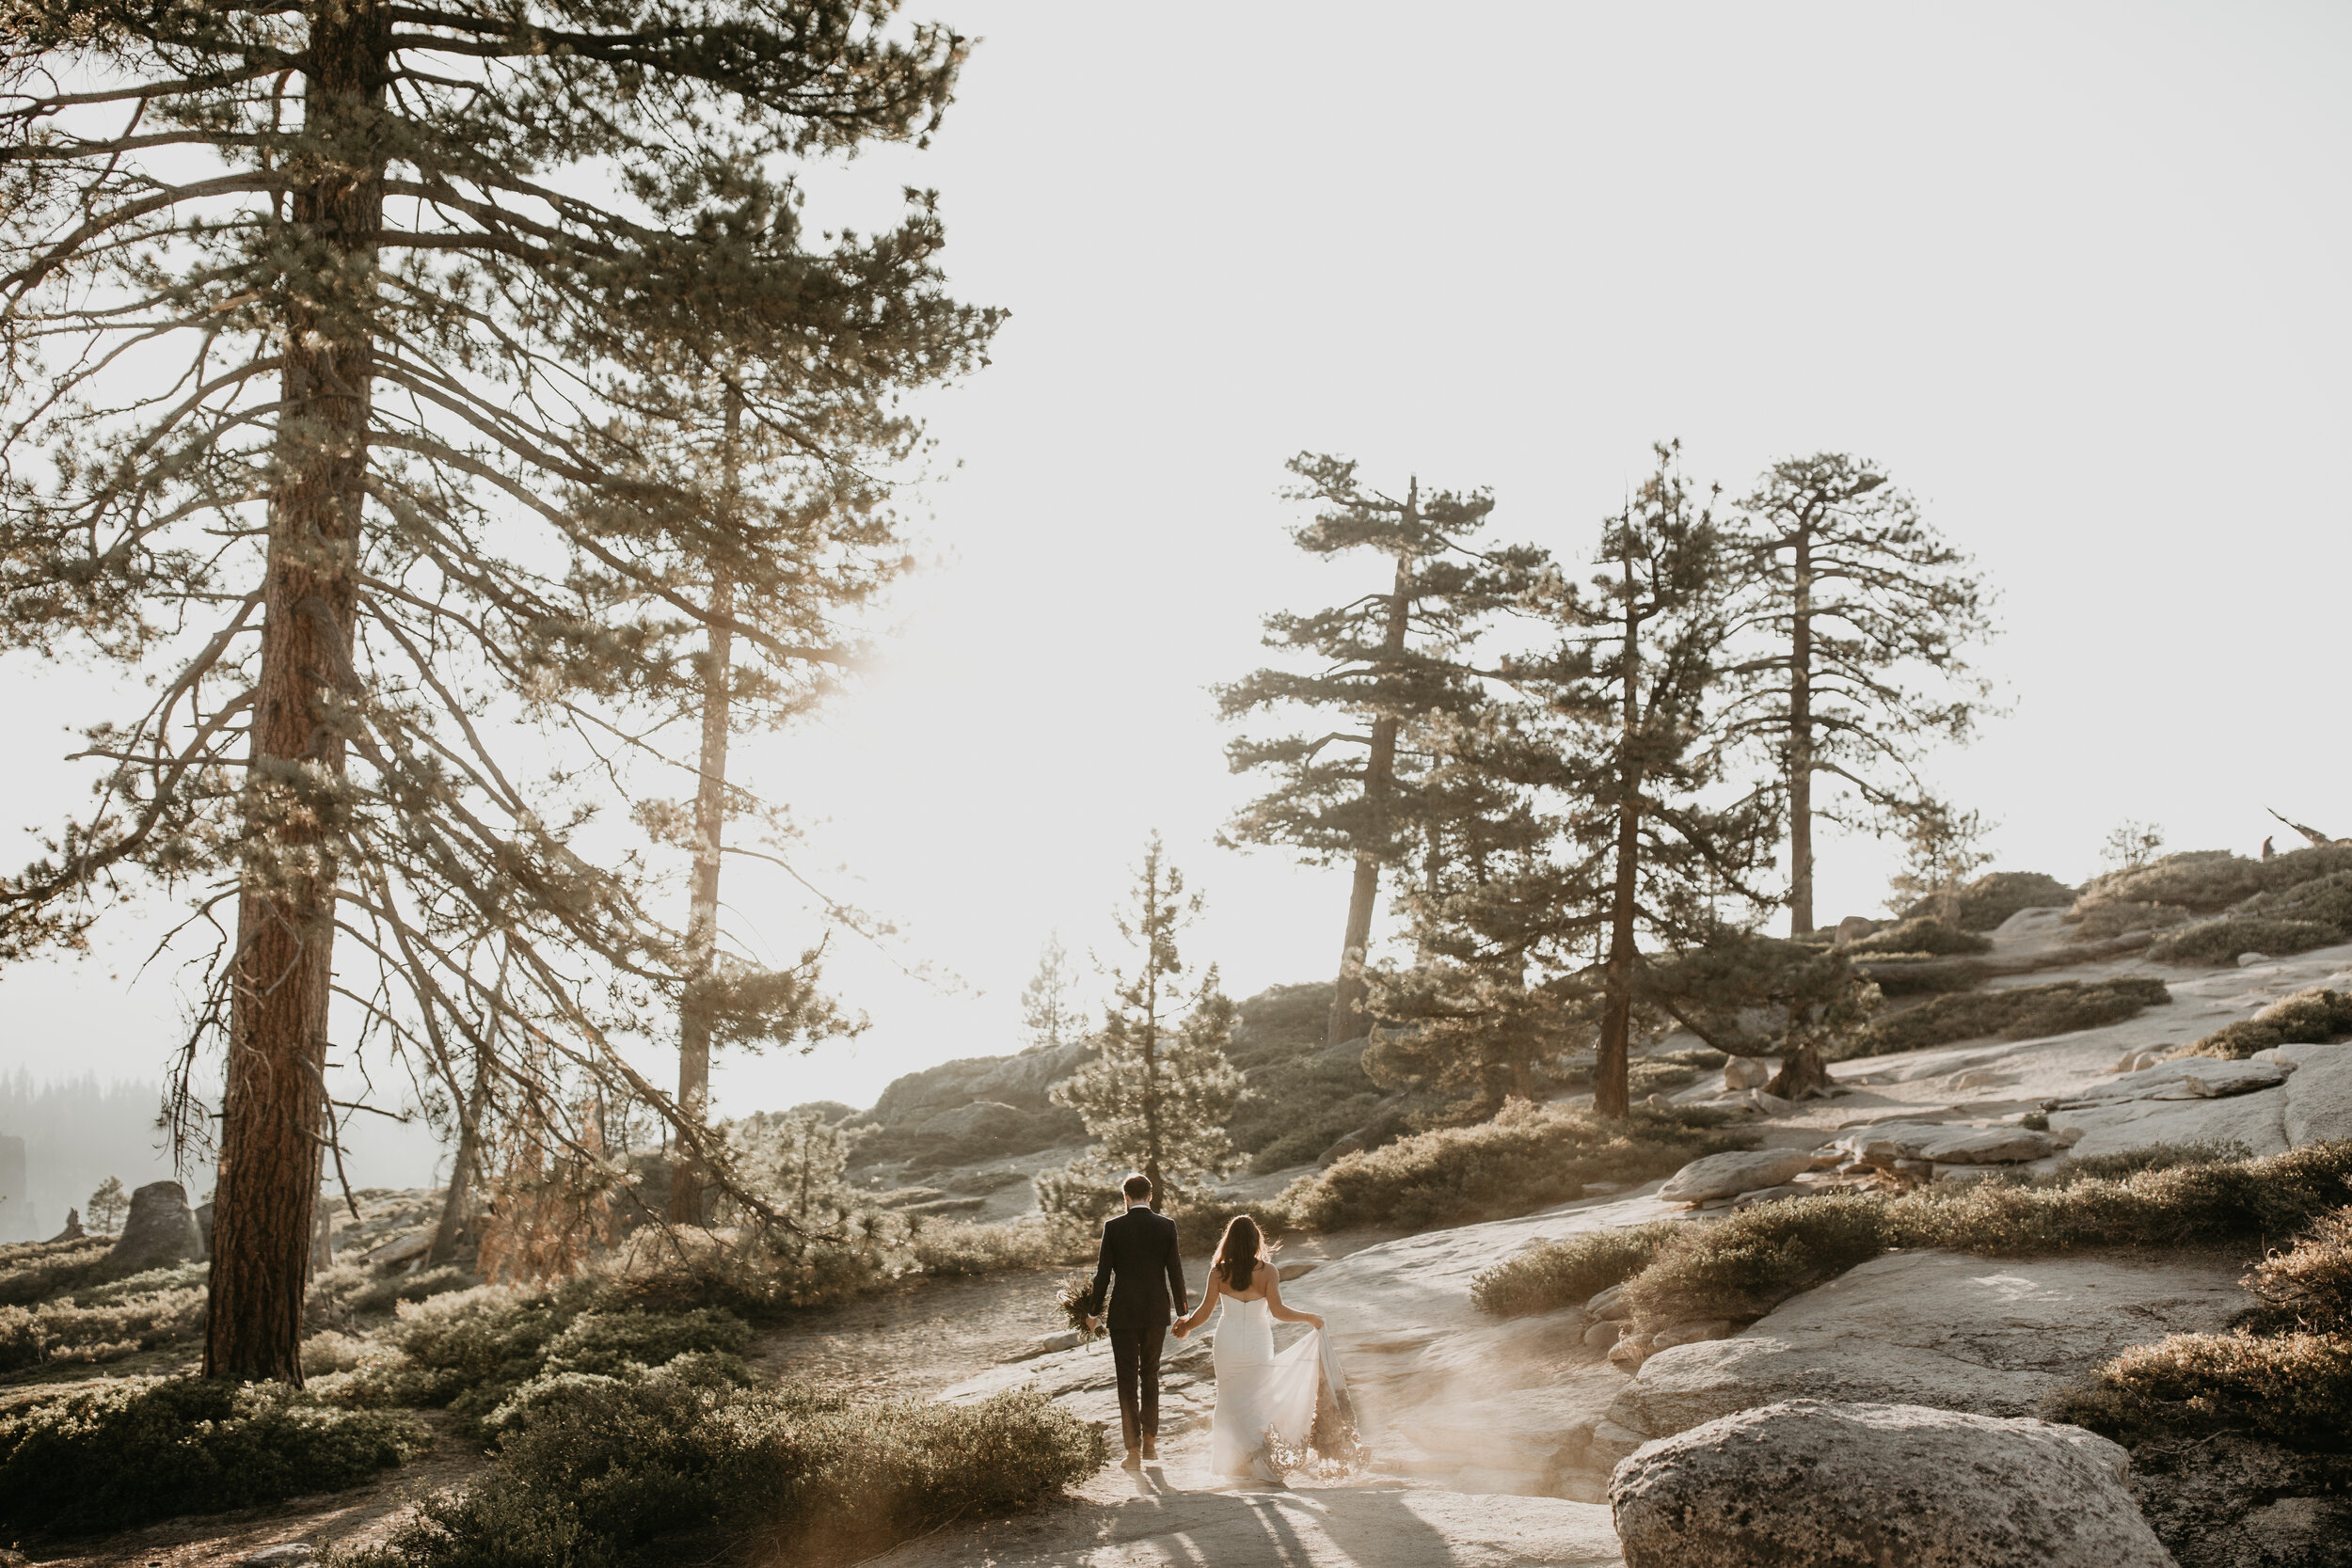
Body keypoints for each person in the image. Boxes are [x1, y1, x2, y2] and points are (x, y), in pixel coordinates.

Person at [1171, 1212, 1327, 1482]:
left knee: (1229, 1398)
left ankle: (1233, 1463)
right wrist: (1309, 1318)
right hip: (1258, 1339)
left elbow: (1206, 1311)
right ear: (1257, 1240)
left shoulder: (1219, 1271)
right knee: (1257, 1400)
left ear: (1228, 1241)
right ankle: (1257, 1461)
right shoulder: (1268, 1271)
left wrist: (1186, 1326)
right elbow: (1278, 1311)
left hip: (1227, 1340)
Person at [1083, 1171, 1187, 1469]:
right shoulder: (1166, 1226)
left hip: (1124, 1313)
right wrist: (1182, 1313)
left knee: (1126, 1380)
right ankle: (1151, 1444)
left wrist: (1093, 1313)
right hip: (1156, 1312)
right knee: (1150, 1373)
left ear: (1125, 1197)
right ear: (1150, 1196)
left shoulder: (1113, 1227)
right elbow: (1175, 1271)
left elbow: (1103, 1274)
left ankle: (1132, 1451)